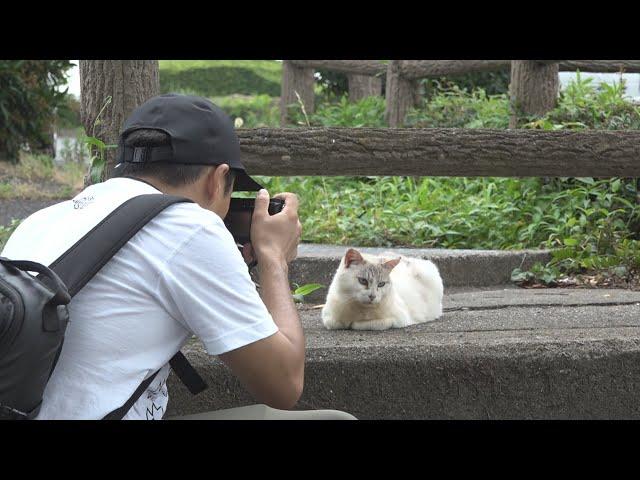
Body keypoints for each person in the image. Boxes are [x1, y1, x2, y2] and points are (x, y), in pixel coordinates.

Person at [1, 93, 355, 420]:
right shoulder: (190, 227)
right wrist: (274, 259)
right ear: (218, 180)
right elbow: (284, 384)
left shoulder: (43, 220)